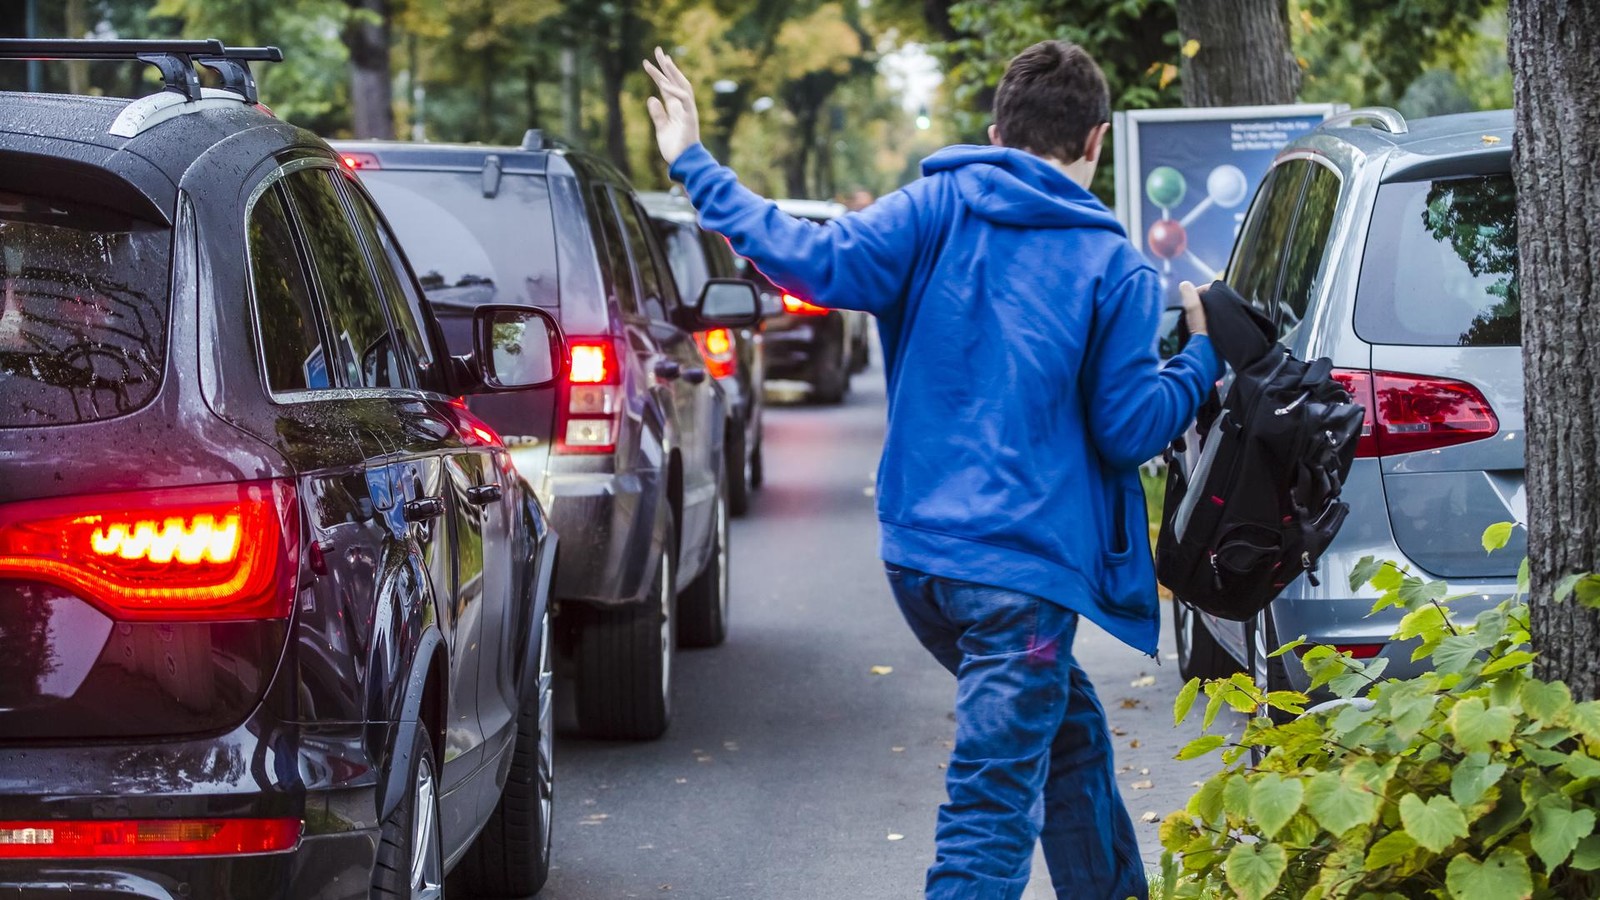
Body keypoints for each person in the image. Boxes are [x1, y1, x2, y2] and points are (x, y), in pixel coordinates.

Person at [644, 40, 1221, 900]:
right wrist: (1201, 359)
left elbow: (806, 255)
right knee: (989, 817)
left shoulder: (932, 208)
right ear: (1096, 141)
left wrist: (694, 161)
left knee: (1070, 737)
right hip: (1019, 583)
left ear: (995, 131)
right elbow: (1127, 429)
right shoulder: (1117, 268)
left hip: (919, 561)